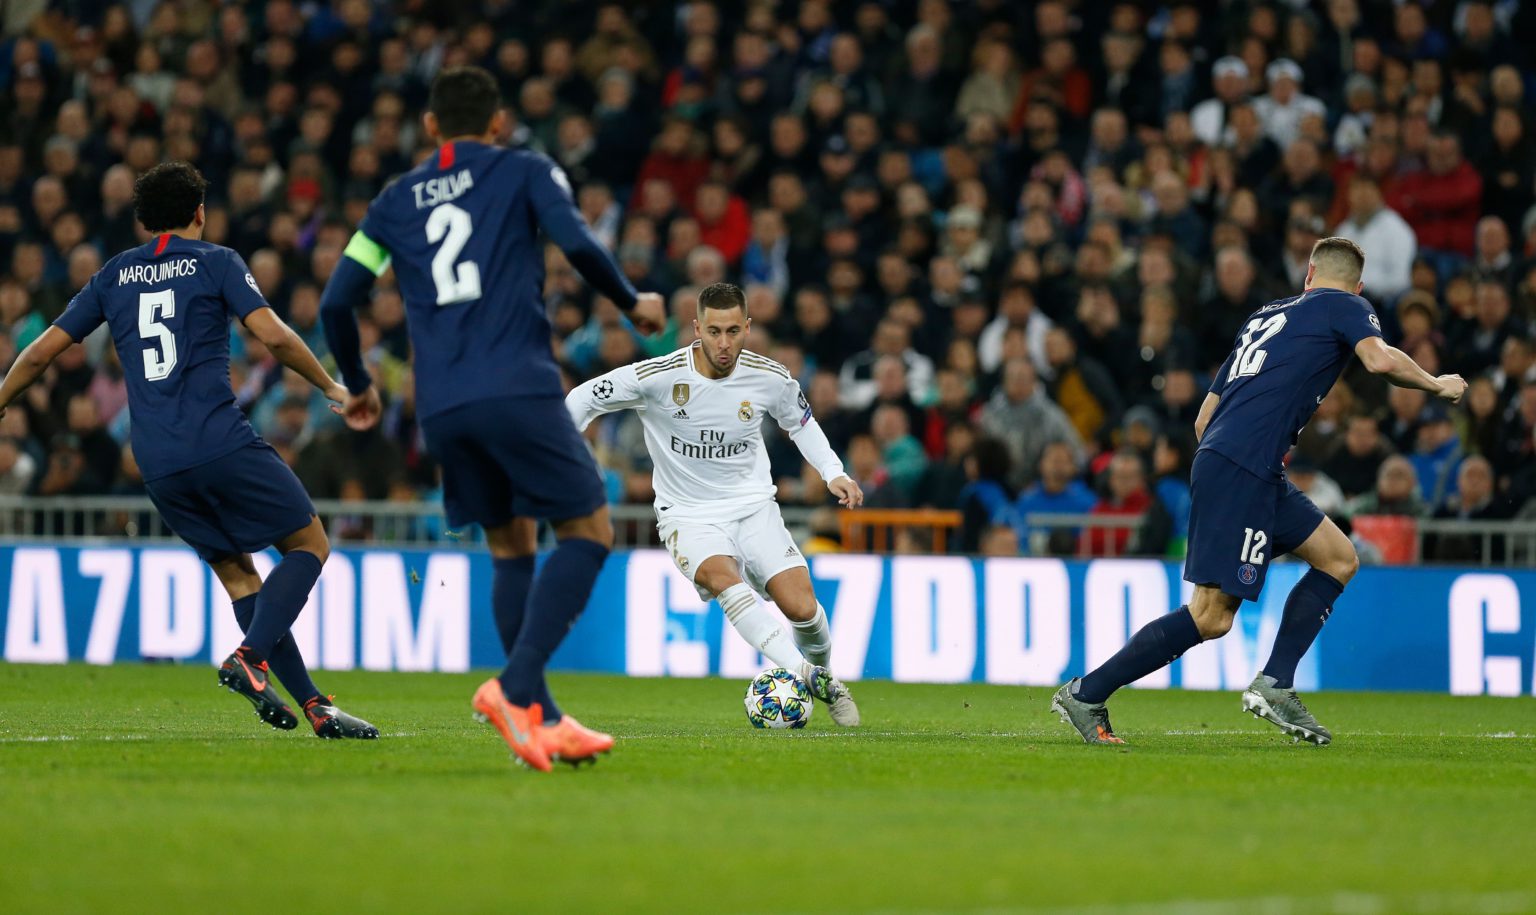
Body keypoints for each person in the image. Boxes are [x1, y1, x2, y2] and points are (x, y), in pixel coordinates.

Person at [318, 67, 667, 772]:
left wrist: (357, 383)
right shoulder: (524, 170)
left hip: (442, 405)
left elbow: (335, 301)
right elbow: (576, 242)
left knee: (512, 545)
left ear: (429, 126)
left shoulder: (392, 202)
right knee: (590, 529)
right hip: (516, 385)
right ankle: (513, 687)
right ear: (499, 122)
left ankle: (544, 720)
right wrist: (632, 303)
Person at [0, 162, 377, 740]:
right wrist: (331, 386)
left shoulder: (112, 275)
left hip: (156, 461)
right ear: (200, 213)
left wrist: (3, 397)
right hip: (219, 440)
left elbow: (40, 352)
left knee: (241, 577)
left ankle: (314, 706)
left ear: (143, 220)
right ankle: (250, 657)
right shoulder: (216, 262)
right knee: (309, 544)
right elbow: (273, 336)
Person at [1052, 237, 1465, 746]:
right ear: (1357, 287)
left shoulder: (1264, 316)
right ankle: (1087, 693)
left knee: (1338, 558)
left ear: (1308, 274)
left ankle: (1276, 682)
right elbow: (1379, 362)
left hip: (1240, 463)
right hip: (1245, 467)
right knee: (1211, 616)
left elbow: (1204, 418)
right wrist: (1437, 383)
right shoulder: (1347, 306)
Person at [566, 283, 862, 726]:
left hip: (753, 508)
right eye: (714, 331)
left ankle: (824, 673)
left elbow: (800, 422)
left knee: (803, 609)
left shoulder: (770, 377)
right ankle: (808, 676)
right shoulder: (658, 377)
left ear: (748, 328)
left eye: (732, 331)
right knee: (724, 580)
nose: (724, 343)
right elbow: (580, 399)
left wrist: (833, 472)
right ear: (696, 329)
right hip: (687, 516)